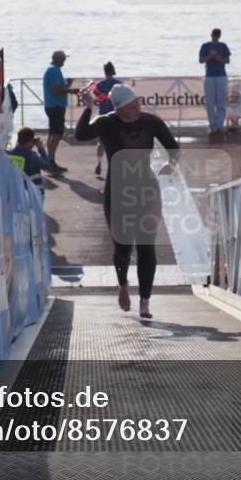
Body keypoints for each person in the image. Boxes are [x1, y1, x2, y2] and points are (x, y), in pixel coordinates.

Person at [75, 83, 179, 320]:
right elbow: (81, 135)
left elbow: (174, 148)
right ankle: (123, 285)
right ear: (119, 108)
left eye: (138, 104)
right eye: (131, 107)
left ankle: (145, 302)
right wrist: (89, 107)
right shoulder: (107, 123)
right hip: (118, 192)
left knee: (146, 247)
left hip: (147, 191)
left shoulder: (151, 122)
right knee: (122, 247)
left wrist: (171, 165)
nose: (137, 109)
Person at [42, 50, 76, 172]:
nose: (64, 61)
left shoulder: (54, 70)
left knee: (53, 133)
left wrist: (67, 85)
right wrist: (70, 90)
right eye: (62, 59)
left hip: (53, 105)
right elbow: (56, 90)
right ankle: (51, 161)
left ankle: (49, 160)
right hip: (55, 106)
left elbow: (58, 88)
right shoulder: (53, 70)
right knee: (57, 134)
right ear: (57, 59)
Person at [94, 62, 123, 177]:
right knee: (117, 142)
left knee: (101, 142)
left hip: (103, 116)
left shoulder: (99, 85)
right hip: (116, 115)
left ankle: (99, 163)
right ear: (113, 71)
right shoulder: (119, 84)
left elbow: (97, 100)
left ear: (104, 71)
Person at [199, 28, 231, 134]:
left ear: (219, 36)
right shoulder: (205, 46)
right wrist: (209, 56)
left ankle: (219, 124)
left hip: (221, 76)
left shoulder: (223, 46)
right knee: (210, 102)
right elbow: (201, 60)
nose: (215, 37)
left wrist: (218, 58)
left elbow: (227, 60)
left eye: (217, 36)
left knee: (221, 102)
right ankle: (212, 124)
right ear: (211, 35)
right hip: (209, 76)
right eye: (214, 35)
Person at [7, 127, 53, 196]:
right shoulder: (32, 156)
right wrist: (41, 149)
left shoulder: (8, 154)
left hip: (16, 192)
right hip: (34, 193)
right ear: (30, 141)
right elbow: (47, 166)